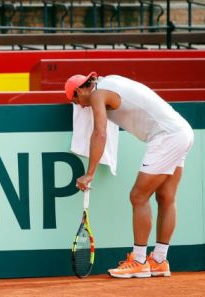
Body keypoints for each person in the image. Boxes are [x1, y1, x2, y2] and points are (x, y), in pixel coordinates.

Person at [65, 72, 194, 278]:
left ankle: (139, 260)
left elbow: (100, 133)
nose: (79, 106)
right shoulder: (111, 81)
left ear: (81, 89)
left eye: (75, 100)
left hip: (166, 137)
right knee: (166, 197)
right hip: (183, 132)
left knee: (138, 196)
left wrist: (89, 174)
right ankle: (159, 261)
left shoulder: (98, 94)